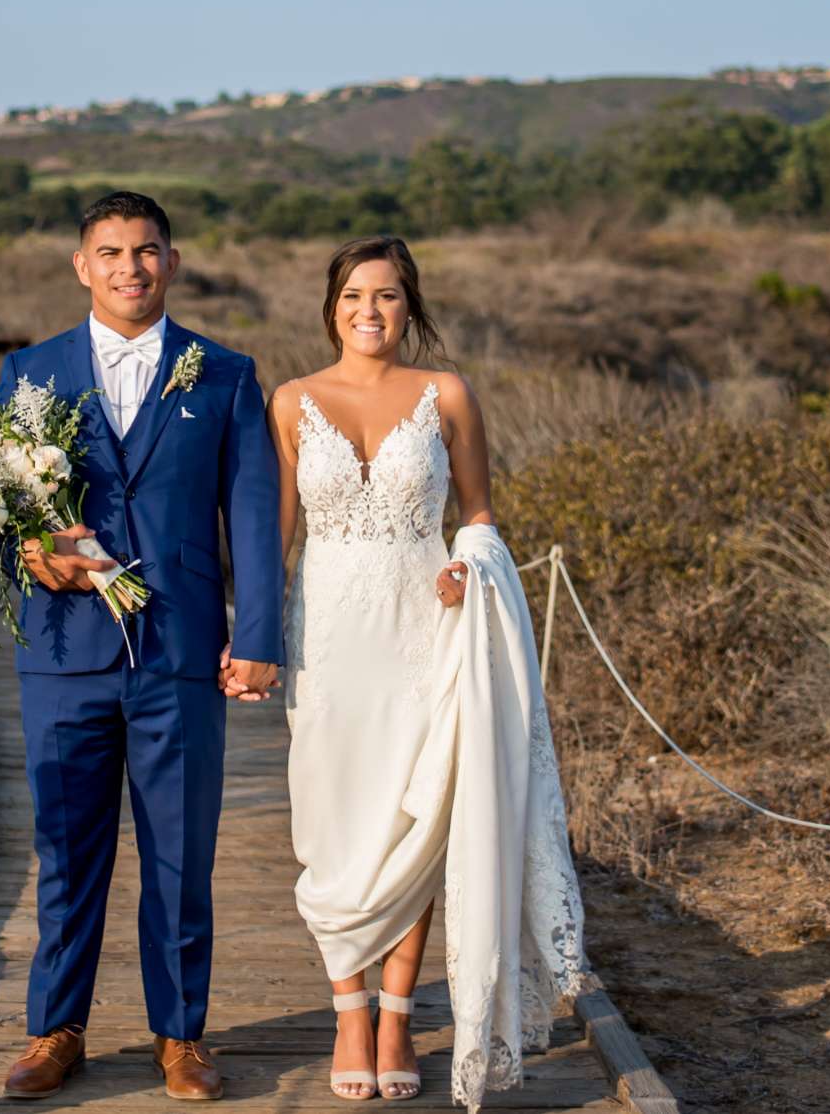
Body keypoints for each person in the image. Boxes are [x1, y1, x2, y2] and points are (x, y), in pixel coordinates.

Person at [270, 235, 590, 1108]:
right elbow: (279, 537)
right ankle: (347, 1006)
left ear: (411, 307)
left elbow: (479, 515)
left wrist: (469, 565)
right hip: (329, 642)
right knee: (335, 820)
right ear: (330, 307)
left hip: (426, 631)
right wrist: (250, 637)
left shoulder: (447, 394)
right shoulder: (291, 401)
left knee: (419, 820)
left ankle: (398, 1014)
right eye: (352, 297)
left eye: (387, 297)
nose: (368, 312)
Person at [0, 191, 284, 1102]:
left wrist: (262, 634)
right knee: (67, 850)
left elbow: (253, 515)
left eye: (147, 250)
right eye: (111, 252)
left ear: (174, 261)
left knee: (180, 852)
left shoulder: (226, 374)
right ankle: (55, 1031)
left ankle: (182, 1037)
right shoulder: (28, 372)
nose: (130, 267)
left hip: (179, 654)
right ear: (82, 266)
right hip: (63, 652)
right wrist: (31, 555)